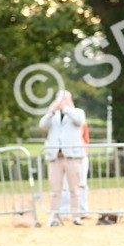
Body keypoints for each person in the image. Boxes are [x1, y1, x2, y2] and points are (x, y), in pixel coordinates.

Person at [39, 90, 86, 225]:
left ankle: (76, 216)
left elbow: (79, 122)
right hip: (55, 157)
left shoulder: (77, 112)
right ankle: (54, 217)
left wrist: (66, 109)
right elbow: (42, 125)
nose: (61, 103)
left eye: (64, 99)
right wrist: (50, 112)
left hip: (72, 156)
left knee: (74, 188)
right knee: (55, 190)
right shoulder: (53, 115)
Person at [59, 120, 90, 220]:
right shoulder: (61, 124)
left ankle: (82, 211)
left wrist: (84, 151)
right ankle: (64, 212)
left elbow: (85, 138)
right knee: (65, 185)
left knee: (82, 184)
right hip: (67, 157)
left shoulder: (81, 121)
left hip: (80, 156)